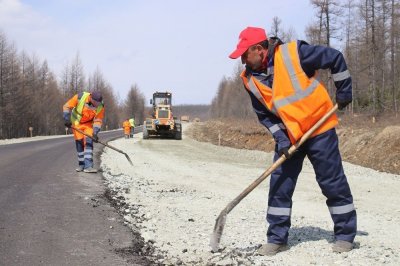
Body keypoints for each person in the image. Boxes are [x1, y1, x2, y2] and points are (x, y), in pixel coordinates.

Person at [229, 27, 357, 256]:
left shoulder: (293, 53)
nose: (242, 60)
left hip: (319, 127)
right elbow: (265, 115)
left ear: (258, 49)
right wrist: (281, 139)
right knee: (279, 186)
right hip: (289, 135)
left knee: (332, 181)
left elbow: (334, 58)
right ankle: (277, 238)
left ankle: (345, 235)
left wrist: (344, 90)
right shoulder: (249, 80)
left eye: (244, 54)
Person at [63, 91, 105, 173]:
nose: (97, 104)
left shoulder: (101, 106)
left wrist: (95, 133)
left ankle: (88, 166)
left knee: (89, 141)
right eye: (96, 102)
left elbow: (98, 120)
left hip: (88, 124)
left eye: (99, 103)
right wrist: (66, 119)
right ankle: (81, 165)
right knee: (79, 143)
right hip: (76, 122)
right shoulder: (80, 97)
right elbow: (66, 106)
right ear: (91, 98)